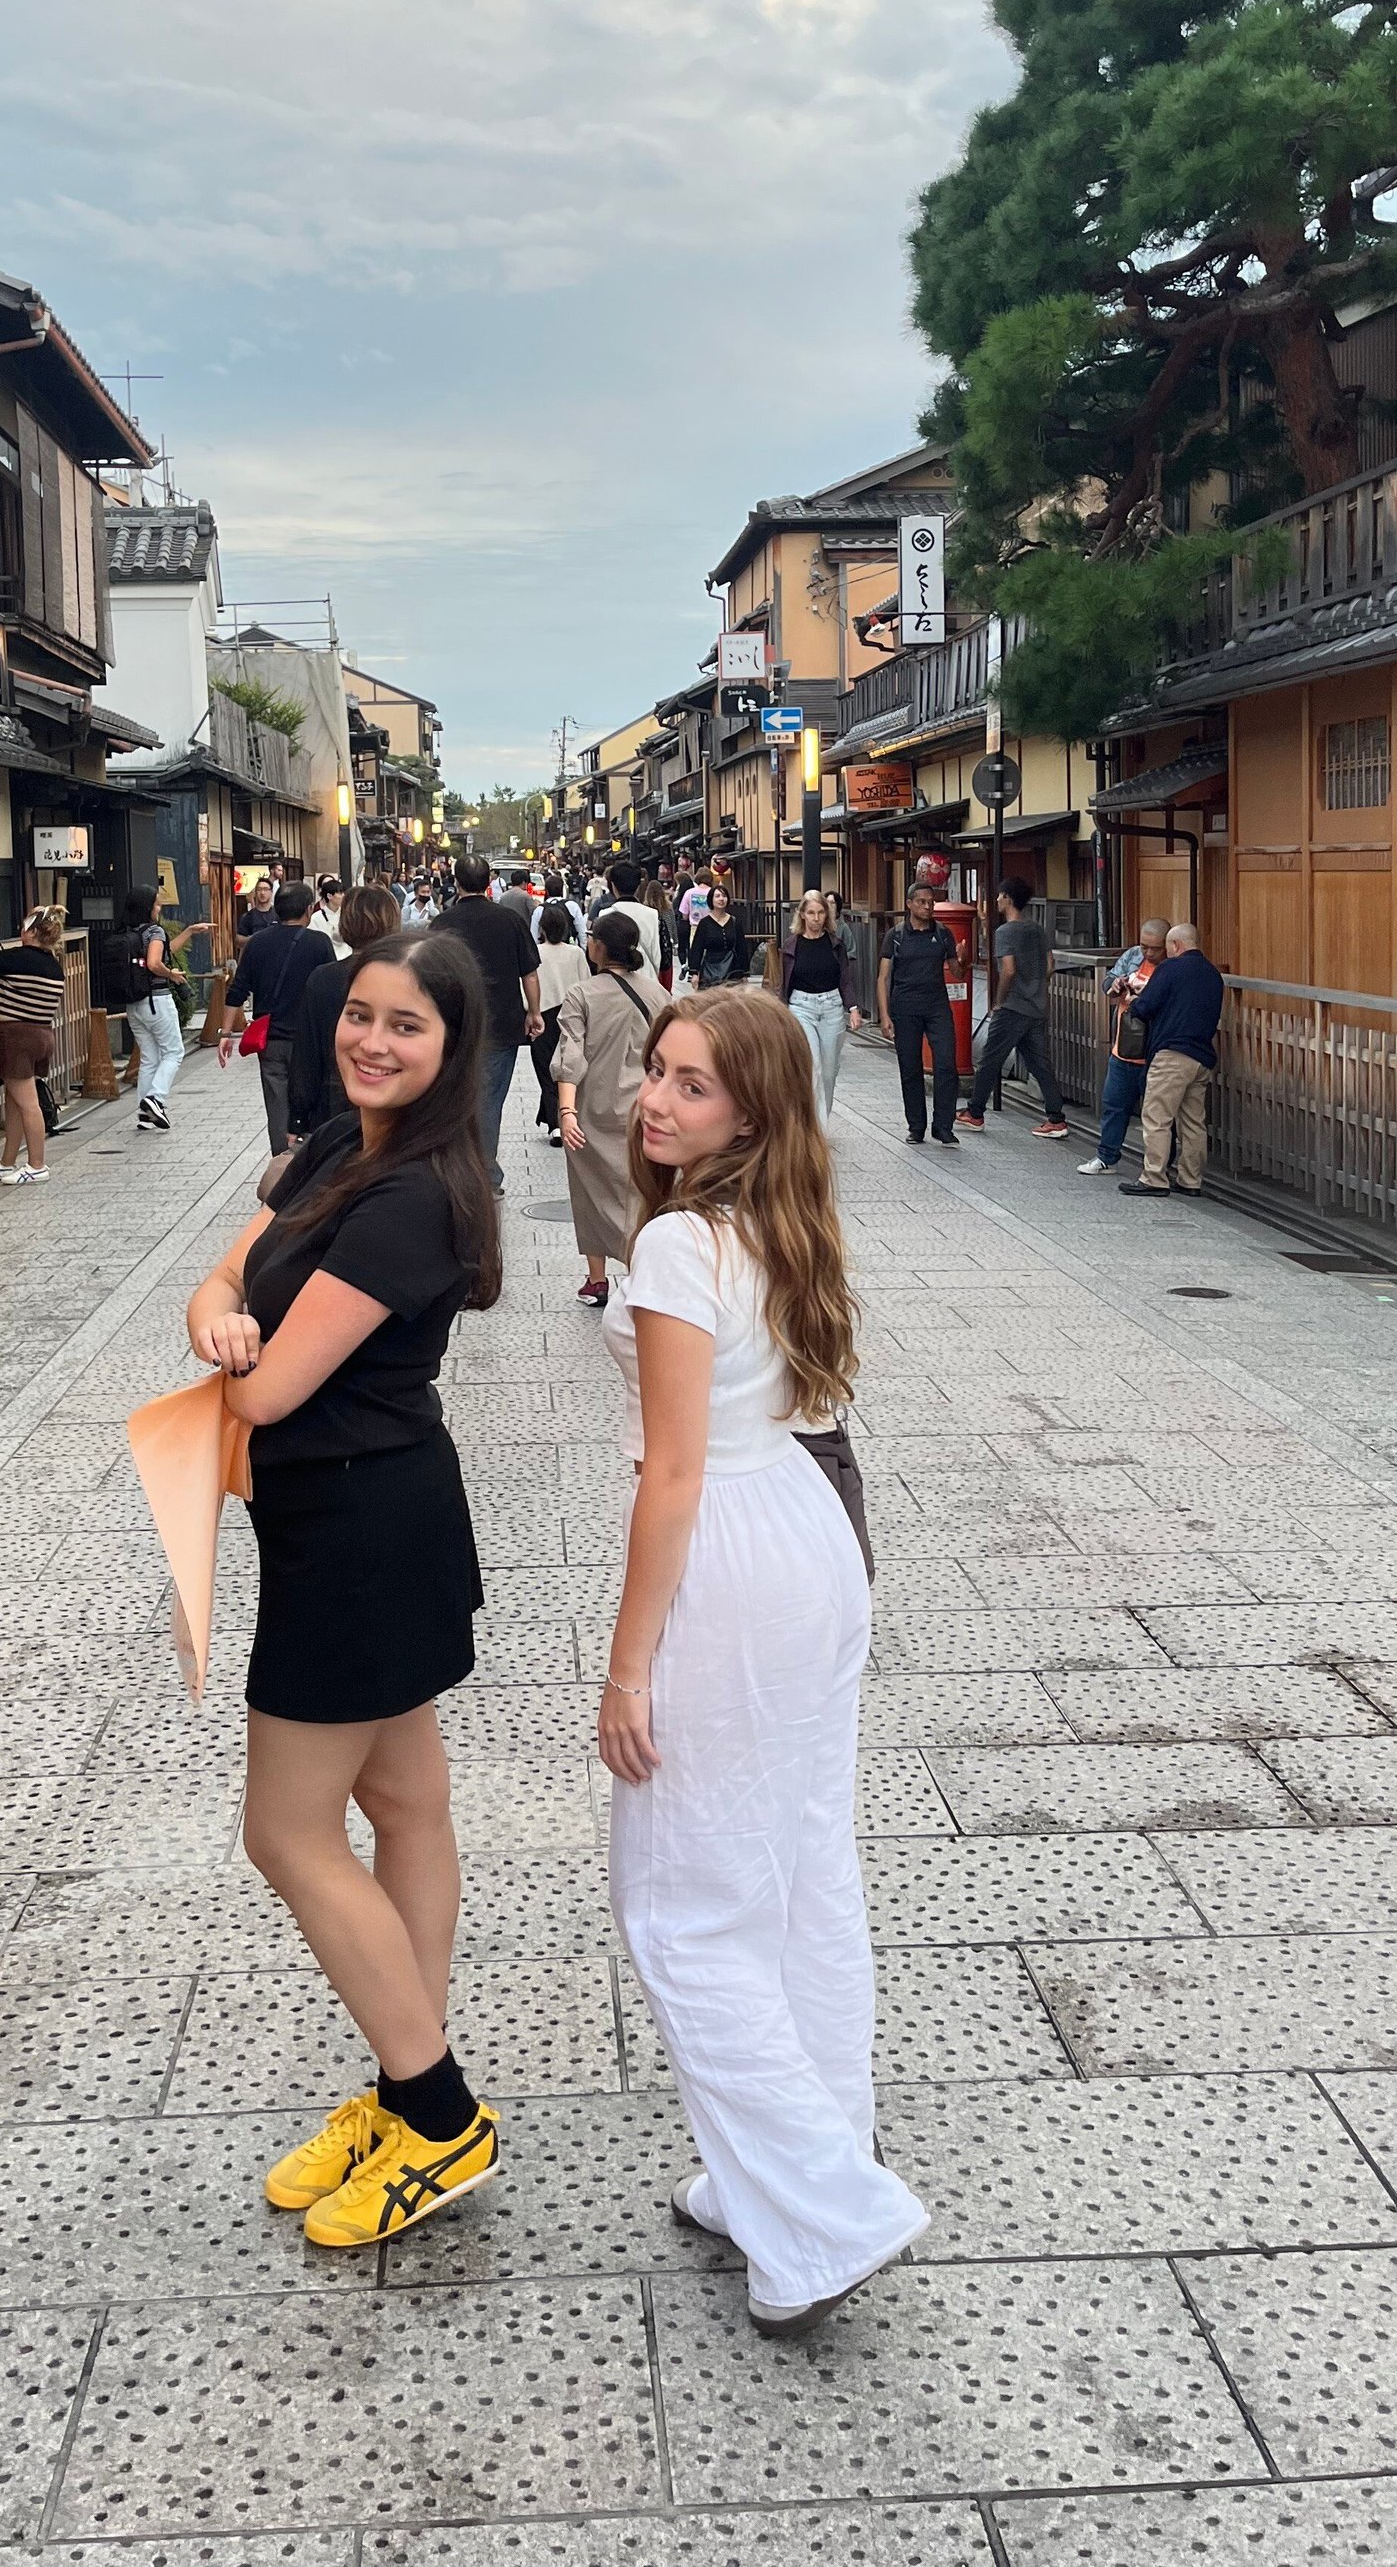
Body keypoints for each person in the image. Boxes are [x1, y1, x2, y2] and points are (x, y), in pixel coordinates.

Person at [599, 986, 926, 2338]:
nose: (656, 1102)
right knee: (798, 1866)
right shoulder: (784, 1217)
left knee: (684, 1904)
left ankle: (819, 2214)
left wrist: (624, 1670)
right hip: (812, 1538)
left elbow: (672, 1472)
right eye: (658, 1075)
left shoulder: (680, 1243)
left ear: (753, 1111)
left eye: (693, 1087)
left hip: (730, 1548)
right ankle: (794, 2171)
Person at [184, 932, 503, 2247]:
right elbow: (225, 1276)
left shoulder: (416, 1194)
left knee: (287, 1832)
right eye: (361, 1015)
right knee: (401, 1802)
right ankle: (398, 2082)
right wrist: (211, 1308)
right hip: (355, 1515)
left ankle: (439, 2114)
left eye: (405, 1026)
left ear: (453, 1048)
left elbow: (263, 1389)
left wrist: (225, 1344)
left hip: (359, 1532)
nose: (372, 1040)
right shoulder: (335, 1149)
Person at [555, 909, 663, 1306]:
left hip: (593, 1109)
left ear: (597, 946)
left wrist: (566, 1112)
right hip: (646, 1109)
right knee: (643, 1191)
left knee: (590, 1192)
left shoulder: (582, 994)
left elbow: (570, 1056)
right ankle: (644, 1272)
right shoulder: (656, 993)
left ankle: (596, 1279)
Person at [440, 854, 543, 1191]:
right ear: (489, 882)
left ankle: (457, 1170)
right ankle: (485, 1174)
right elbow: (529, 972)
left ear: (456, 882)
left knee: (454, 1097)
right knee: (489, 1100)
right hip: (501, 1022)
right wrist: (535, 1011)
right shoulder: (509, 921)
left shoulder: (442, 924)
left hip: (453, 1025)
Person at [223, 881, 336, 1153]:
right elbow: (330, 987)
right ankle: (309, 1154)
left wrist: (226, 1033)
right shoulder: (319, 943)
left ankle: (281, 1160)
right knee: (313, 1097)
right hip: (310, 1041)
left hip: (271, 1040)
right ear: (309, 909)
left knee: (277, 1104)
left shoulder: (257, 943)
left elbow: (237, 990)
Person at [287, 885, 403, 1141]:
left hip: (334, 1108)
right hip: (396, 1102)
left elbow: (307, 1055)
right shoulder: (408, 978)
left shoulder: (323, 979)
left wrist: (297, 1118)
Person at [1118, 924, 1225, 1198]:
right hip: (1201, 1057)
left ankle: (1154, 1177)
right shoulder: (1214, 975)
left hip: (1171, 1055)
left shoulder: (1170, 969)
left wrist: (1133, 1001)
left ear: (1175, 945)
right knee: (1193, 1122)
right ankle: (1191, 1179)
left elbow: (1145, 1007)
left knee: (1157, 1117)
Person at [959, 878, 1070, 1140]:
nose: (996, 900)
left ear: (1008, 898)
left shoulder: (1005, 932)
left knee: (990, 1060)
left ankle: (975, 1113)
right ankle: (1056, 1118)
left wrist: (999, 1000)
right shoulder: (1037, 929)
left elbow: (1008, 970)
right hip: (1037, 1007)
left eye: (998, 896)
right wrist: (1036, 988)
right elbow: (1050, 964)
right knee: (1040, 1065)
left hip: (1013, 1008)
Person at [0, 905, 68, 1184]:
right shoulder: (53, 966)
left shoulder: (18, 958)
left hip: (14, 1039)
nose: (20, 931)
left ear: (34, 932)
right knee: (14, 1101)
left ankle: (37, 1165)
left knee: (27, 1103)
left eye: (25, 927)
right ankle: (6, 1162)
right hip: (39, 1036)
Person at [1078, 917, 1170, 1177]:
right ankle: (1106, 1157)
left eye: (1156, 948)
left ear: (1168, 946)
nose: (1149, 953)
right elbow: (1108, 981)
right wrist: (1115, 985)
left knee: (1157, 1114)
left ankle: (1160, 1165)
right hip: (1124, 1047)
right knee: (1113, 1103)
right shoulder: (1132, 956)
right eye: (1145, 947)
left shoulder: (1172, 967)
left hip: (1155, 1051)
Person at [877, 878, 959, 1145]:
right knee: (910, 1067)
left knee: (946, 1064)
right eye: (922, 902)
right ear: (909, 904)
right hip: (905, 1006)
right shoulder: (896, 935)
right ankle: (916, 1126)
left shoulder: (943, 933)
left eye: (930, 902)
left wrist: (964, 959)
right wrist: (885, 1015)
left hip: (936, 1005)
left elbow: (957, 971)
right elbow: (883, 977)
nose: (927, 907)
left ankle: (944, 1126)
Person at [111, 885, 190, 1136]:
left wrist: (189, 932)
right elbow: (156, 962)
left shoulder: (127, 931)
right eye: (156, 904)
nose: (159, 908)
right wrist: (172, 975)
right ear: (147, 907)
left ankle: (145, 1115)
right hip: (157, 1001)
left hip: (134, 1005)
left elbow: (162, 952)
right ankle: (155, 1099)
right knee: (174, 1052)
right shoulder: (153, 930)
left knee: (149, 1057)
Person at [774, 888, 859, 1115]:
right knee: (814, 1067)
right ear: (802, 914)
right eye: (811, 912)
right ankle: (816, 1129)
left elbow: (845, 979)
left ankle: (823, 1119)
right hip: (801, 1006)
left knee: (829, 1071)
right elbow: (783, 982)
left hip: (831, 1005)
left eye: (820, 912)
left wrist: (852, 1008)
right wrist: (780, 1012)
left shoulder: (835, 944)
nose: (816, 918)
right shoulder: (792, 944)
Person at [527, 897, 588, 1140]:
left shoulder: (535, 953)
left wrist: (530, 1013)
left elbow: (527, 987)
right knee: (566, 1068)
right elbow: (586, 985)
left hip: (542, 1015)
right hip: (571, 1015)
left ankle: (554, 1122)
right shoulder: (576, 954)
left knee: (546, 1071)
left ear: (541, 928)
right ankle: (562, 1116)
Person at [601, 857, 675, 990]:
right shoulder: (654, 916)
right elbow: (665, 960)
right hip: (649, 985)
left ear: (612, 885)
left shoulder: (605, 916)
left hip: (613, 986)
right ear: (638, 885)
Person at [683, 881, 750, 989]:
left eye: (724, 896)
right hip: (710, 968)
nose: (721, 899)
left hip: (732, 968)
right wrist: (694, 972)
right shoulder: (705, 923)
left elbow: (741, 947)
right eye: (717, 896)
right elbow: (697, 948)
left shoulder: (734, 922)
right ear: (711, 899)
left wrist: (745, 973)